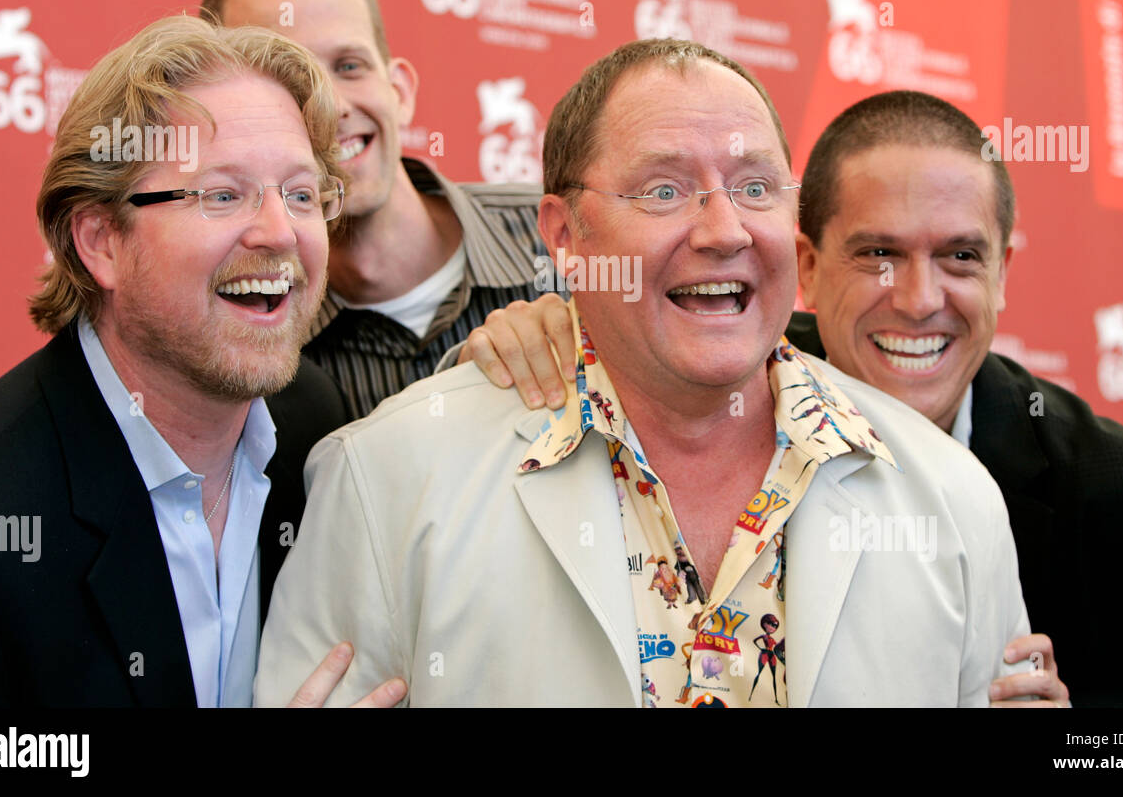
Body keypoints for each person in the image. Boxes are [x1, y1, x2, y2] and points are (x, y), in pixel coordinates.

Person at [254, 40, 1031, 707]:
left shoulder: (952, 498)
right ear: (566, 234)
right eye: (664, 190)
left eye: (754, 187)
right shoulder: (386, 477)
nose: (724, 230)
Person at [469, 89, 1123, 707]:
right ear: (804, 262)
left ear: (1005, 269)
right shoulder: (696, 369)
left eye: (961, 257)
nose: (918, 298)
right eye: (878, 253)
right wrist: (564, 324)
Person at [0, 16, 402, 708]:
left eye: (302, 194)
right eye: (222, 194)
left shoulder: (313, 420)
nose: (279, 232)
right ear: (101, 242)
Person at [200, 0, 547, 419]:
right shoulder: (250, 340)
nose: (335, 107)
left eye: (349, 67)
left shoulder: (568, 244)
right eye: (290, 82)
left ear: (399, 90)